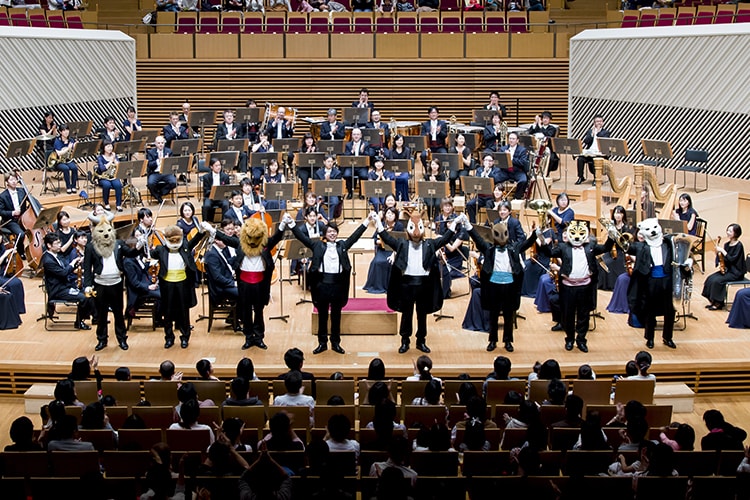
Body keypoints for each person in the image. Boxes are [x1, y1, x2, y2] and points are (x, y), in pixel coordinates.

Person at [286, 211, 373, 354]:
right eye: (330, 231)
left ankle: (335, 342)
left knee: (336, 316)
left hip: (338, 285)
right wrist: (291, 223)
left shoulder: (342, 245)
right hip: (322, 285)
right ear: (325, 233)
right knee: (322, 316)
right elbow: (301, 237)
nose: (332, 234)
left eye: (334, 231)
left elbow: (355, 236)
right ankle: (322, 343)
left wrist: (367, 221)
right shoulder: (317, 246)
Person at [376, 212, 464, 354]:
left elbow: (445, 238)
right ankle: (405, 341)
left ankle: (421, 341)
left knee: (421, 315)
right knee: (406, 314)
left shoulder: (429, 244)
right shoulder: (401, 244)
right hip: (406, 285)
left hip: (424, 285)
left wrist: (455, 223)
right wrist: (377, 222)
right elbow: (386, 237)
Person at [204, 214, 287, 350]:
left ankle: (259, 337)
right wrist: (212, 230)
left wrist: (283, 224)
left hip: (260, 284)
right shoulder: (240, 243)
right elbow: (225, 238)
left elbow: (277, 237)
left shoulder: (265, 243)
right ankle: (248, 337)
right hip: (244, 284)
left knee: (259, 311)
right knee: (246, 312)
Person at [537, 220, 614, 353]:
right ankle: (570, 339)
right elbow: (550, 253)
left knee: (584, 315)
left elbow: (606, 248)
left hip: (585, 287)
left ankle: (581, 340)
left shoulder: (591, 246)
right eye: (574, 233)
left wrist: (612, 236)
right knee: (568, 315)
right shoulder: (563, 247)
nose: (577, 237)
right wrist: (542, 241)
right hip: (568, 287)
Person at [464, 216, 536, 352]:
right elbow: (477, 239)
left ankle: (508, 341)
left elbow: (525, 244)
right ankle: (492, 340)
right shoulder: (489, 249)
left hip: (510, 286)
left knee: (509, 314)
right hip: (493, 286)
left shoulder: (514, 248)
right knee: (493, 315)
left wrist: (534, 234)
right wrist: (468, 225)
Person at [83, 212, 144, 351]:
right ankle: (102, 340)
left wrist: (139, 246)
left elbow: (131, 254)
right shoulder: (90, 247)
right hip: (100, 284)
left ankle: (122, 339)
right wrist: (87, 285)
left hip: (116, 284)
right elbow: (87, 268)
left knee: (118, 313)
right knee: (101, 314)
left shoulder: (119, 243)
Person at [627, 218, 690, 349]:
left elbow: (681, 256)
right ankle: (650, 338)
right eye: (649, 230)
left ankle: (668, 337)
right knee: (650, 311)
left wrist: (687, 263)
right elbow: (627, 247)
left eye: (655, 228)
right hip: (651, 282)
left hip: (667, 281)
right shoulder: (641, 247)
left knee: (670, 310)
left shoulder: (669, 244)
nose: (653, 232)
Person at [152, 224, 206, 349]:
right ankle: (169, 337)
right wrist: (143, 241)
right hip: (167, 285)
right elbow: (150, 253)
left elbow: (195, 240)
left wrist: (201, 231)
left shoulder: (185, 246)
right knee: (168, 312)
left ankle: (185, 337)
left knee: (183, 312)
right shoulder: (161, 249)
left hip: (183, 284)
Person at [702, 223, 745, 310]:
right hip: (728, 269)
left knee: (717, 281)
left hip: (736, 272)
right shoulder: (726, 244)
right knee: (710, 279)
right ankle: (713, 301)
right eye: (727, 230)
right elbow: (724, 259)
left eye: (730, 231)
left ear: (736, 233)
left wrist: (722, 251)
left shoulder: (739, 246)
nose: (727, 232)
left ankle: (718, 303)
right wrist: (718, 254)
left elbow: (732, 259)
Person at [364, 206, 403, 295]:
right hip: (382, 250)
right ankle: (376, 286)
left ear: (396, 216)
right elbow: (374, 238)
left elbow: (401, 241)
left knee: (390, 263)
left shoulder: (399, 225)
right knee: (376, 262)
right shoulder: (381, 224)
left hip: (394, 251)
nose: (390, 215)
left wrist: (394, 254)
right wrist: (378, 241)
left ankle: (390, 287)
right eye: (388, 213)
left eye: (392, 214)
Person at [435, 197, 469, 299]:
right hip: (443, 254)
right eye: (445, 205)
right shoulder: (439, 220)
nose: (450, 224)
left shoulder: (461, 231)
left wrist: (442, 239)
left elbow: (452, 248)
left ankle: (445, 293)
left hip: (455, 258)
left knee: (445, 270)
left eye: (449, 206)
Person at [122, 237, 161, 322]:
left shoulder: (136, 257)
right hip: (139, 290)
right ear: (132, 247)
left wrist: (149, 263)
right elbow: (134, 282)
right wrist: (148, 287)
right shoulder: (128, 262)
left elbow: (141, 270)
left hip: (146, 283)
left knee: (166, 290)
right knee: (162, 295)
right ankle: (158, 320)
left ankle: (160, 317)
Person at [598, 205, 633, 291]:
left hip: (621, 252)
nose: (618, 215)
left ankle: (613, 285)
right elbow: (608, 245)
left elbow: (627, 244)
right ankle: (603, 285)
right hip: (612, 250)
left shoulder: (626, 228)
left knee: (611, 263)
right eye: (616, 213)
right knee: (601, 262)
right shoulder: (611, 227)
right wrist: (610, 235)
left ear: (623, 215)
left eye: (620, 213)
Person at [204, 219, 239, 304]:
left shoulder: (221, 250)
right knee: (243, 292)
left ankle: (237, 315)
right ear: (216, 240)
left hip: (227, 282)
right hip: (221, 288)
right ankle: (236, 315)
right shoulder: (212, 254)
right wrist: (233, 283)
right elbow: (217, 277)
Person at [0, 172, 30, 261]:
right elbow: (1, 211)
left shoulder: (22, 191)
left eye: (15, 179)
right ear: (7, 182)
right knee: (21, 234)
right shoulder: (2, 196)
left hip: (24, 218)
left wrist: (39, 207)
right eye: (11, 180)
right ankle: (20, 251)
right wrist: (12, 213)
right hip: (11, 221)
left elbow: (33, 200)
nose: (14, 181)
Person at [465, 154, 502, 224]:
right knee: (470, 204)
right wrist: (484, 172)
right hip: (480, 197)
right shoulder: (479, 170)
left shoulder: (497, 170)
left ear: (493, 162)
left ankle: (487, 225)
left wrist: (488, 173)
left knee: (489, 206)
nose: (488, 162)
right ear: (483, 161)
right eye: (486, 160)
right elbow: (477, 181)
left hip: (491, 197)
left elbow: (497, 180)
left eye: (490, 161)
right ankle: (473, 224)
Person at [576, 114, 610, 185]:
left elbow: (605, 140)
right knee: (580, 159)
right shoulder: (590, 131)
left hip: (600, 153)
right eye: (597, 121)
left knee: (596, 160)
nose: (599, 123)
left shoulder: (606, 132)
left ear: (603, 123)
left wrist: (597, 133)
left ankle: (596, 178)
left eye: (600, 121)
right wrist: (592, 135)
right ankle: (580, 177)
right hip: (590, 152)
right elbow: (586, 141)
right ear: (594, 123)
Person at [497, 132, 529, 200]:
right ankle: (496, 197)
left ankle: (517, 197)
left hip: (517, 171)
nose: (511, 140)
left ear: (517, 140)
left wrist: (511, 158)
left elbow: (522, 162)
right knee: (493, 178)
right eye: (510, 138)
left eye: (513, 139)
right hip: (505, 171)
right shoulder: (503, 149)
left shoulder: (522, 150)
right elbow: (499, 162)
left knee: (523, 180)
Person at [145, 135, 177, 204]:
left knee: (174, 182)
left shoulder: (169, 151)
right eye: (159, 143)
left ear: (164, 143)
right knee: (150, 183)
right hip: (155, 172)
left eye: (162, 143)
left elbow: (172, 164)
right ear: (155, 144)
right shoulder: (151, 152)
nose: (160, 145)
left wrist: (167, 161)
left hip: (166, 172)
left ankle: (160, 193)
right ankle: (157, 196)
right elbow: (150, 165)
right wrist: (158, 161)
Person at [343, 127, 372, 200]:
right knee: (346, 175)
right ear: (352, 135)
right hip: (351, 165)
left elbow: (369, 156)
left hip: (362, 166)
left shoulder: (366, 144)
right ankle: (350, 192)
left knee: (364, 175)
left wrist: (362, 151)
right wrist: (352, 151)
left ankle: (361, 193)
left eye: (358, 134)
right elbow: (346, 156)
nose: (356, 136)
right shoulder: (348, 145)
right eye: (354, 134)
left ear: (361, 135)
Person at [51, 124, 79, 194]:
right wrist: (68, 148)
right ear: (60, 132)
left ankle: (73, 186)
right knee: (66, 168)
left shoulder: (71, 140)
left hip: (68, 160)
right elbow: (59, 153)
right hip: (59, 162)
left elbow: (73, 150)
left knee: (74, 168)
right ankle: (68, 187)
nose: (66, 132)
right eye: (64, 130)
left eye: (67, 130)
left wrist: (76, 146)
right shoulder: (57, 141)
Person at [96, 140, 124, 212]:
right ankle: (106, 203)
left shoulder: (114, 156)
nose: (110, 148)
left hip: (113, 176)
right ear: (104, 148)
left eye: (111, 146)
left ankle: (118, 204)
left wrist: (115, 159)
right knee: (106, 185)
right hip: (103, 177)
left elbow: (119, 166)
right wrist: (111, 161)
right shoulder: (100, 157)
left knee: (118, 185)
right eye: (108, 146)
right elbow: (102, 168)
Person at [313, 154, 342, 221]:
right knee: (317, 201)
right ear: (324, 162)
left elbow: (337, 186)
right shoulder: (318, 172)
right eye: (328, 161)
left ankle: (329, 219)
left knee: (335, 202)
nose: (330, 163)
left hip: (332, 192)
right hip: (321, 192)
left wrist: (329, 181)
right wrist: (324, 181)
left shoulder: (337, 173)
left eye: (331, 162)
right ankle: (323, 217)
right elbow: (316, 185)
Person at [201, 157, 231, 222]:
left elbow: (227, 189)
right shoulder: (206, 177)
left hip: (221, 197)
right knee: (206, 205)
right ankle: (205, 223)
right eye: (216, 166)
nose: (218, 167)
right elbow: (206, 191)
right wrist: (214, 191)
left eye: (219, 165)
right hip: (210, 197)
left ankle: (225, 223)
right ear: (211, 167)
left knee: (226, 204)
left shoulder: (225, 177)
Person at [388, 134, 411, 202]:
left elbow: (407, 163)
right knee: (392, 178)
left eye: (401, 140)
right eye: (397, 140)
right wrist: (395, 172)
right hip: (393, 171)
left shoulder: (407, 150)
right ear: (395, 141)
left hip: (404, 170)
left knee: (404, 178)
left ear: (403, 141)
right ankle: (394, 198)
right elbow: (390, 163)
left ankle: (405, 198)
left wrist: (400, 171)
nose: (399, 142)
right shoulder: (391, 150)